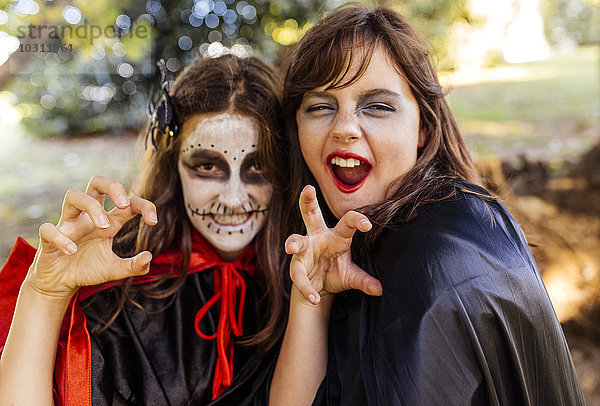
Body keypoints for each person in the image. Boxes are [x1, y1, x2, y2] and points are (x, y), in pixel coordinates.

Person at [270, 6, 586, 405]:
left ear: (423, 127)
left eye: (377, 106)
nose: (344, 127)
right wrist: (312, 297)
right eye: (320, 107)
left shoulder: (446, 246)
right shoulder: (339, 244)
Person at [0, 54, 289, 404]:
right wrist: (45, 295)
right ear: (174, 162)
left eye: (257, 166)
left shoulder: (297, 275)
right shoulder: (120, 284)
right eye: (207, 166)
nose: (232, 199)